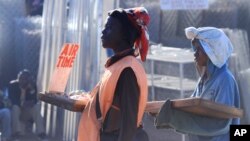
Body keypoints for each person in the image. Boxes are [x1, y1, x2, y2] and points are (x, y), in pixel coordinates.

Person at [75, 7, 150, 141]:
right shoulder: (118, 65)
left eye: (109, 27)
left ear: (123, 34)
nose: (103, 31)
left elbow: (129, 123)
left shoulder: (127, 70)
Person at [154, 27, 240, 141]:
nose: (195, 54)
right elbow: (192, 111)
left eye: (199, 49)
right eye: (195, 49)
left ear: (212, 52)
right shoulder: (204, 80)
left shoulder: (225, 80)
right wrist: (163, 112)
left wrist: (171, 116)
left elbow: (220, 123)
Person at [8, 69, 47, 140]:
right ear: (18, 78)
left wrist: (31, 89)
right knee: (15, 107)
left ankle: (41, 134)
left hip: (26, 112)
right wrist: (22, 103)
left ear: (28, 80)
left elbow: (34, 100)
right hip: (15, 113)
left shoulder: (32, 86)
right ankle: (16, 134)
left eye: (25, 79)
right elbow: (13, 100)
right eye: (21, 78)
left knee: (36, 107)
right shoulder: (12, 85)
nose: (22, 81)